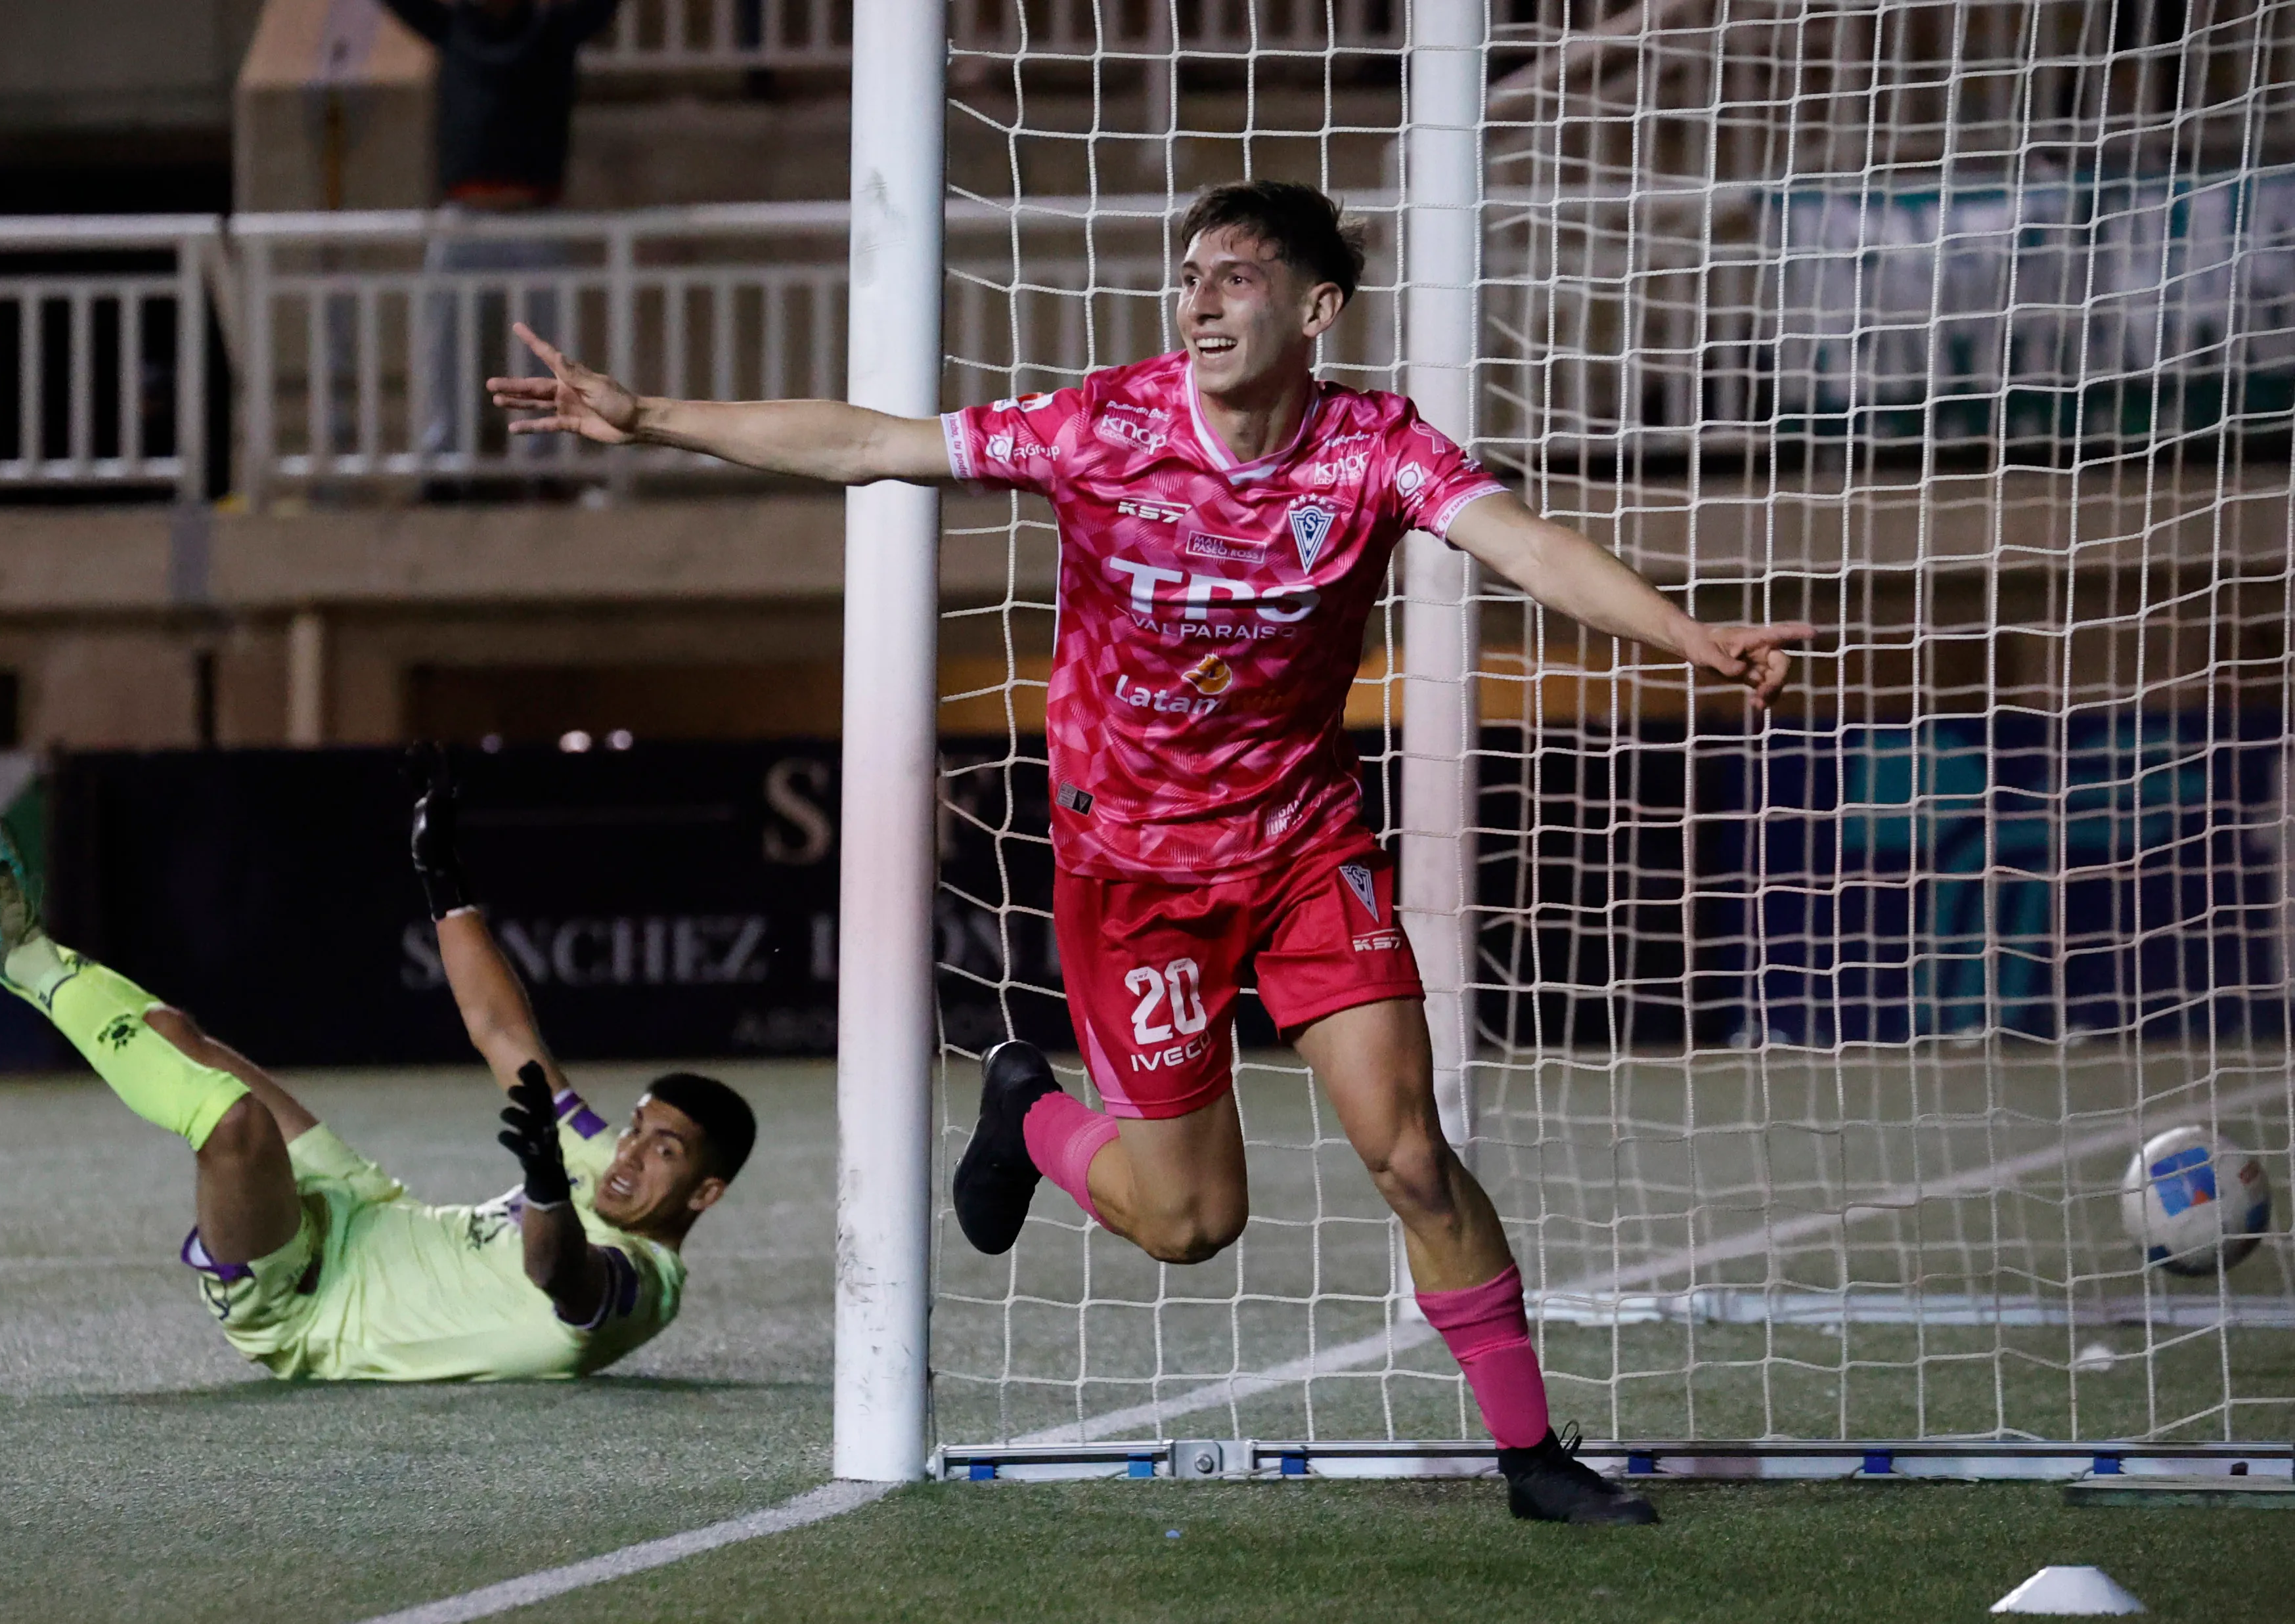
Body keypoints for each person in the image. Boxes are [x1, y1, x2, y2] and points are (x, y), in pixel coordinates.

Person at [487, 179, 1814, 1517]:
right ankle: (1029, 1110)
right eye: (1190, 274)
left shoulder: (1374, 449)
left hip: (1305, 849)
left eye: (1235, 275)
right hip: (1133, 881)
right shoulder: (1100, 426)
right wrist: (649, 416)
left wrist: (1687, 636)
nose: (1200, 296)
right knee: (1191, 1225)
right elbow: (869, 443)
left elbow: (1521, 544)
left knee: (1411, 1154)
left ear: (1316, 308)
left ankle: (1532, 1460)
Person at [0, 755, 753, 1382]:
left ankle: (4, 951)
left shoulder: (649, 1286)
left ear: (705, 1193)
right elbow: (500, 1031)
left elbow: (563, 1277)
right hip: (370, 1213)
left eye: (665, 1151)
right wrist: (442, 878)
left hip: (310, 1304)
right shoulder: (603, 1156)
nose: (632, 1153)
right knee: (176, 1033)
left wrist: (544, 1189)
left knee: (233, 1125)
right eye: (640, 1127)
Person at [378, 0, 623, 454]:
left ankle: (543, 464)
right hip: (465, 219)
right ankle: (443, 462)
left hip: (535, 217)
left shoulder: (552, 31)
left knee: (546, 354)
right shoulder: (454, 30)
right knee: (443, 347)